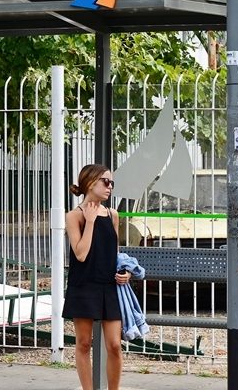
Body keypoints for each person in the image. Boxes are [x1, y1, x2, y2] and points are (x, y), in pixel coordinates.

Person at [62, 164, 131, 390]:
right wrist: (90, 221)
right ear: (91, 183)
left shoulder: (113, 214)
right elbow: (80, 254)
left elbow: (116, 253)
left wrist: (125, 272)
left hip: (109, 286)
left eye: (112, 183)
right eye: (105, 181)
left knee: (114, 345)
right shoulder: (75, 216)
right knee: (83, 344)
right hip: (84, 286)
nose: (110, 186)